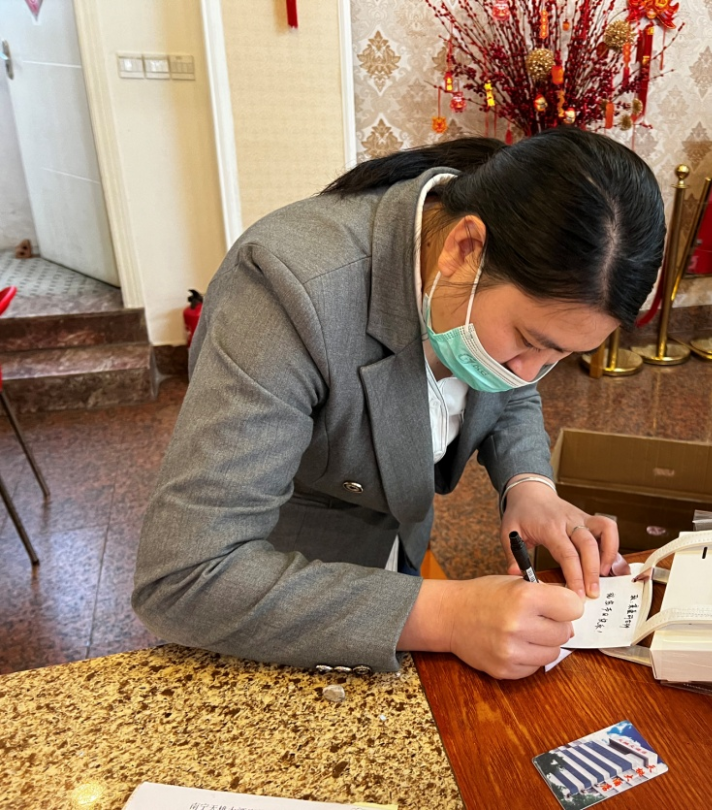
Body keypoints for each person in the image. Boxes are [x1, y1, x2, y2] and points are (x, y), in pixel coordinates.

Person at [133, 128, 666, 680]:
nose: (528, 373)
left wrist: (529, 486)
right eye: (529, 341)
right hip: (287, 587)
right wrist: (448, 615)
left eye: (558, 356)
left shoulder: (488, 261)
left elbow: (510, 386)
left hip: (397, 544)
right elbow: (184, 576)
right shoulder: (286, 289)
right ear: (465, 248)